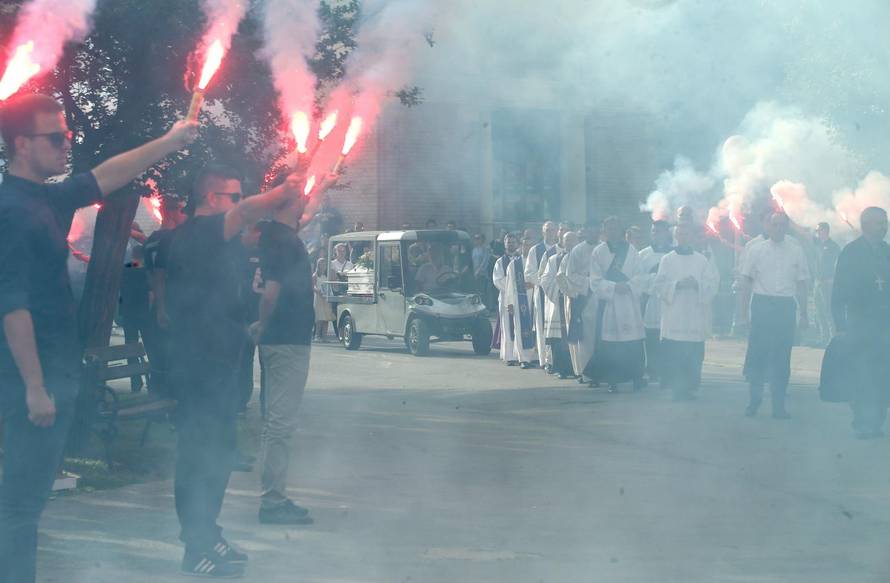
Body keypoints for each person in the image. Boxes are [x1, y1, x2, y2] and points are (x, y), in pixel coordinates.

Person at [0, 93, 197, 583]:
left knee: (28, 501)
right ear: (22, 144)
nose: (66, 144)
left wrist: (169, 141)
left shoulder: (44, 197)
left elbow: (107, 174)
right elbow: (13, 306)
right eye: (55, 137)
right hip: (31, 379)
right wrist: (34, 386)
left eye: (66, 135)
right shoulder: (9, 210)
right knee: (20, 506)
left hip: (54, 373)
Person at [165, 164, 304, 577]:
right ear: (212, 199)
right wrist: (281, 189)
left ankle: (209, 532)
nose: (242, 204)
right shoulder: (196, 234)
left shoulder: (224, 241)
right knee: (199, 456)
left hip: (222, 362)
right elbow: (247, 215)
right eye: (234, 196)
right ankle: (196, 545)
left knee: (220, 454)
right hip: (198, 366)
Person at [248, 188, 317, 525]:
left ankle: (272, 496)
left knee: (275, 420)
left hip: (284, 338)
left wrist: (328, 185)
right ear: (290, 203)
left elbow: (308, 213)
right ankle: (272, 501)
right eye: (301, 197)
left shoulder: (278, 235)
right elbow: (271, 292)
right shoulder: (282, 240)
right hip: (286, 339)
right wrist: (263, 323)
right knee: (281, 423)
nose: (307, 200)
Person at [738, 212, 810, 419]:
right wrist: (743, 315)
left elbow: (802, 283)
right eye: (774, 225)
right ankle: (754, 400)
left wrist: (804, 314)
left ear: (787, 227)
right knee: (757, 355)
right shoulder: (755, 249)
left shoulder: (796, 251)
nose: (778, 229)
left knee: (782, 357)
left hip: (785, 307)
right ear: (768, 226)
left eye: (782, 225)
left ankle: (778, 406)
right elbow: (745, 283)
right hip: (762, 305)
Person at [831, 207, 890, 438]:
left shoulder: (887, 251)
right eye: (879, 223)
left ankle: (876, 421)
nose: (884, 227)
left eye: (885, 223)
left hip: (885, 326)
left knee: (883, 375)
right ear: (865, 225)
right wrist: (840, 326)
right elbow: (838, 292)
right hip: (860, 324)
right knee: (863, 374)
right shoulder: (851, 252)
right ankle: (862, 421)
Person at [653, 223, 720, 400]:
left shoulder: (701, 260)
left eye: (687, 234)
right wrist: (678, 284)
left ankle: (689, 387)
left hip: (694, 315)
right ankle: (676, 388)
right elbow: (659, 286)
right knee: (674, 353)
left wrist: (697, 284)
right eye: (680, 234)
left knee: (692, 353)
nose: (683, 237)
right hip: (674, 314)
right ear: (676, 237)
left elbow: (712, 285)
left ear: (691, 237)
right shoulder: (667, 259)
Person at [589, 217, 647, 392]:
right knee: (610, 345)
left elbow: (640, 276)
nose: (612, 231)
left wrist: (628, 286)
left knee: (633, 342)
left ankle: (637, 377)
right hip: (610, 305)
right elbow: (594, 280)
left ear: (621, 230)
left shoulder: (631, 251)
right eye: (609, 228)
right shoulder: (598, 252)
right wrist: (614, 287)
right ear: (604, 231)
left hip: (629, 304)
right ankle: (612, 380)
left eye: (615, 228)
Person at [143, 196, 187, 398]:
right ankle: (172, 401)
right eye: (181, 209)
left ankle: (158, 398)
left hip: (156, 305)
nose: (185, 214)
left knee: (158, 358)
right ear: (171, 212)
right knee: (174, 357)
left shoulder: (151, 240)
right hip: (173, 304)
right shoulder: (175, 239)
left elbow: (149, 275)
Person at [562, 221, 601, 384]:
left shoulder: (604, 249)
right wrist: (589, 282)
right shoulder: (577, 250)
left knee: (601, 338)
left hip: (602, 297)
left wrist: (600, 282)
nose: (593, 234)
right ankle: (587, 373)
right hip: (585, 299)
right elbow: (570, 275)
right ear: (585, 232)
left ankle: (601, 372)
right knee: (586, 339)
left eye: (595, 231)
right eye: (590, 231)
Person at [638, 220, 673, 382]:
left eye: (659, 231)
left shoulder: (675, 254)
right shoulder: (643, 254)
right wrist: (654, 278)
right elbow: (638, 279)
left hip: (670, 302)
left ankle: (668, 370)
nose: (655, 234)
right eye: (653, 231)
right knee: (651, 337)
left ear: (667, 233)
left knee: (669, 337)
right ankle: (652, 369)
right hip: (651, 302)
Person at [542, 231, 578, 378]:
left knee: (575, 337)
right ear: (562, 242)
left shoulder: (580, 259)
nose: (569, 243)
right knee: (559, 339)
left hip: (576, 303)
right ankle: (561, 369)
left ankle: (576, 369)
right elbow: (545, 279)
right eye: (567, 240)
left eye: (572, 240)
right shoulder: (553, 260)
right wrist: (560, 292)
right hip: (558, 304)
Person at [525, 221, 559, 371]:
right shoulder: (535, 250)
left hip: (557, 293)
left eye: (552, 230)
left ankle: (556, 358)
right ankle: (545, 360)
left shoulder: (560, 248)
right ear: (543, 232)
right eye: (547, 230)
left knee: (556, 326)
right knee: (541, 327)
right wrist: (544, 282)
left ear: (557, 231)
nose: (550, 232)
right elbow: (529, 273)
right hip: (541, 292)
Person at [492, 233, 521, 366]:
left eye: (513, 242)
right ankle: (510, 356)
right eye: (508, 242)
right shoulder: (500, 262)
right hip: (505, 298)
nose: (511, 245)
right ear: (504, 244)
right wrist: (512, 287)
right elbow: (497, 280)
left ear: (517, 244)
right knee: (508, 327)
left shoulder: (522, 260)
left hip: (521, 298)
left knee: (520, 326)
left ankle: (521, 355)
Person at [813, 222, 840, 346]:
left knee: (828, 310)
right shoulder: (817, 244)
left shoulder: (833, 246)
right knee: (819, 310)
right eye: (816, 230)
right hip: (817, 282)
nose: (817, 232)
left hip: (828, 282)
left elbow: (838, 264)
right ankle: (823, 338)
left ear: (826, 230)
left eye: (819, 230)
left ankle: (833, 337)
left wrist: (833, 278)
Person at [313, 258, 336, 341]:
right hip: (319, 298)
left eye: (324, 265)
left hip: (326, 297)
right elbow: (313, 286)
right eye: (321, 265)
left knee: (326, 317)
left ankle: (324, 336)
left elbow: (330, 285)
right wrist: (318, 291)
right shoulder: (315, 275)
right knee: (320, 318)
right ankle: (317, 335)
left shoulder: (326, 276)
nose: (323, 266)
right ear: (318, 265)